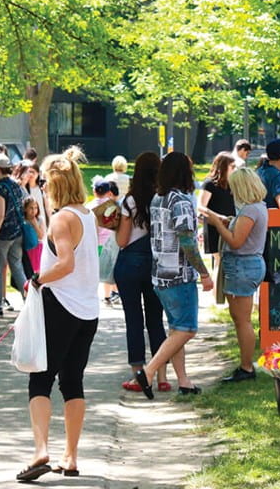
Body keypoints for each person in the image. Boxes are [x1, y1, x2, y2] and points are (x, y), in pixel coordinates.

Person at [17, 147, 99, 482]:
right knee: (72, 381)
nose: (44, 191)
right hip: (87, 310)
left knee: (40, 378)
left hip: (61, 306)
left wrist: (36, 279)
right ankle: (71, 456)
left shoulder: (64, 218)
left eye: (47, 186)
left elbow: (66, 263)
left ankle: (41, 451)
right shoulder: (85, 214)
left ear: (56, 186)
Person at [133, 152, 213, 399]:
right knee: (187, 330)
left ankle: (184, 381)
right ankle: (148, 372)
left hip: (159, 274)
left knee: (176, 329)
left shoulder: (159, 198)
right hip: (179, 275)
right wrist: (204, 272)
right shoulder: (180, 201)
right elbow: (188, 242)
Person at [201, 167, 268, 382]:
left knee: (242, 321)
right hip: (247, 265)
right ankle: (246, 365)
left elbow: (236, 241)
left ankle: (247, 367)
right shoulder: (258, 207)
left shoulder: (250, 210)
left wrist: (216, 223)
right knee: (241, 319)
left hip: (242, 266)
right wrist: (227, 220)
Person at [117, 152, 169, 393]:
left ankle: (138, 374)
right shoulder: (163, 198)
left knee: (133, 320)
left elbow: (122, 241)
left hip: (130, 263)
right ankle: (161, 375)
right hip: (156, 263)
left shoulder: (130, 201)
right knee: (156, 320)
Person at [0, 153, 27, 316]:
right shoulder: (16, 185)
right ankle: (29, 301)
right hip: (18, 232)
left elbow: (0, 214)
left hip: (4, 235)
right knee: (17, 267)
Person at [198, 152, 236, 261]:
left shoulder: (232, 184)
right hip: (215, 227)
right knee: (219, 261)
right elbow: (201, 206)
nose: (235, 170)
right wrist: (218, 217)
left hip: (231, 226)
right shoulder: (210, 184)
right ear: (223, 167)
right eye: (232, 167)